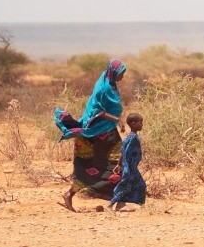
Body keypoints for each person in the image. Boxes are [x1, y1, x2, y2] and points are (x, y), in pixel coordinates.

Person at [59, 59, 127, 211]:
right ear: (114, 72)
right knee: (91, 166)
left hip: (107, 131)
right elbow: (97, 111)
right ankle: (69, 194)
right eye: (122, 73)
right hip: (95, 132)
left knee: (118, 163)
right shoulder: (103, 88)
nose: (123, 76)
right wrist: (118, 120)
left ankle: (119, 200)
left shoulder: (110, 84)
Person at [109, 113, 146, 211]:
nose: (142, 124)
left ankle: (128, 204)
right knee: (125, 186)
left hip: (132, 167)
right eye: (140, 122)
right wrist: (123, 165)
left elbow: (122, 150)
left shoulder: (131, 136)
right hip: (129, 167)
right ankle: (110, 205)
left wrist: (118, 164)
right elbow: (125, 152)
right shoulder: (132, 137)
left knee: (140, 185)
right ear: (133, 124)